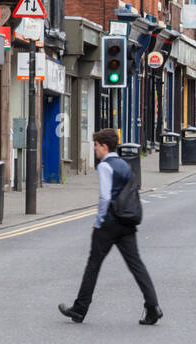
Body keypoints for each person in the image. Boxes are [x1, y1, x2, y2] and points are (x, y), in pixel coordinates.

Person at [59, 129, 162, 325]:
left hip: (109, 224)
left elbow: (105, 196)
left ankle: (80, 309)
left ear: (104, 147)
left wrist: (98, 221)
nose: (95, 149)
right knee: (136, 265)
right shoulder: (124, 165)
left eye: (96, 146)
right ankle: (153, 307)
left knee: (93, 266)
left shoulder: (105, 166)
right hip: (127, 222)